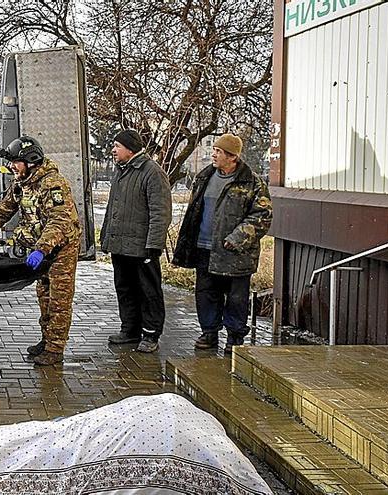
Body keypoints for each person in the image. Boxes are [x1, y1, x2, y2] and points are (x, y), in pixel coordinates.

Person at [0, 136, 81, 366]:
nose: (12, 167)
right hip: (43, 248)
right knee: (43, 296)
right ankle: (46, 340)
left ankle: (55, 350)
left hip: (61, 248)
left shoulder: (53, 184)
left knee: (59, 299)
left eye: (16, 162)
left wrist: (41, 249)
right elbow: (1, 212)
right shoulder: (21, 183)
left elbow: (59, 222)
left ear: (31, 160)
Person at [172, 133, 272, 353]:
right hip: (204, 248)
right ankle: (209, 332)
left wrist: (236, 238)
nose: (213, 154)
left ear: (232, 157)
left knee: (236, 298)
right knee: (206, 293)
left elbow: (262, 215)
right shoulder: (204, 177)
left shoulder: (252, 182)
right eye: (214, 150)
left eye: (218, 151)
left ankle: (235, 338)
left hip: (235, 253)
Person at [100, 130, 172, 353]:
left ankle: (150, 334)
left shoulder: (151, 172)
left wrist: (154, 245)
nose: (113, 150)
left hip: (142, 248)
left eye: (117, 146)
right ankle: (130, 329)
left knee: (148, 291)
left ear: (130, 149)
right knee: (125, 289)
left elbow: (160, 212)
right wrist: (106, 238)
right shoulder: (122, 172)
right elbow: (113, 208)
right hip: (120, 246)